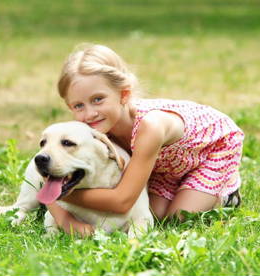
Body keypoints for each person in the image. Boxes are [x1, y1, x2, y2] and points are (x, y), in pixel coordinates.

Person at [46, 44, 244, 237]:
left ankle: (227, 193)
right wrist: (65, 218)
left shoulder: (150, 126)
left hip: (211, 148)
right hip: (164, 165)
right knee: (154, 214)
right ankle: (181, 187)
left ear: (123, 94)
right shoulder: (94, 130)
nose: (89, 113)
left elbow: (122, 201)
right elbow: (47, 178)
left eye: (98, 99)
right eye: (78, 105)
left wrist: (59, 193)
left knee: (177, 218)